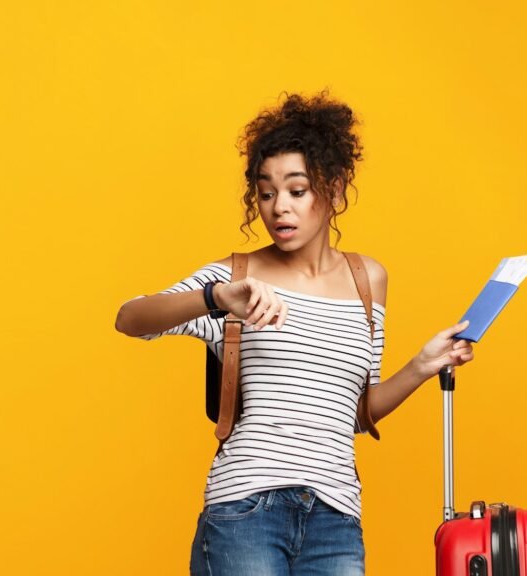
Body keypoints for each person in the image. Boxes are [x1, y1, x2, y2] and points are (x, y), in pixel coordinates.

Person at [114, 89, 475, 575]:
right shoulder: (239, 277)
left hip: (337, 518)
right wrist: (217, 297)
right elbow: (130, 318)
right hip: (246, 510)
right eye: (266, 193)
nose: (278, 207)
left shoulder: (368, 281)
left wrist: (422, 366)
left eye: (296, 190)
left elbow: (358, 411)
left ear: (334, 187)